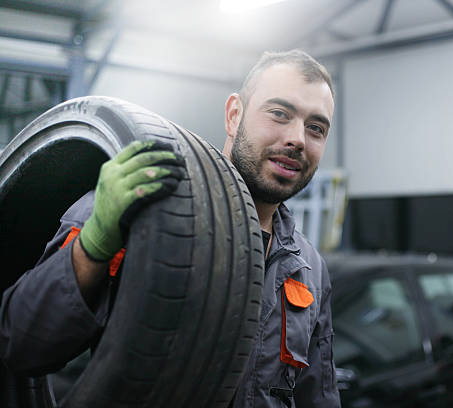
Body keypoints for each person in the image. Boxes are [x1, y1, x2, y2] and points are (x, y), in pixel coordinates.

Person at [0, 49, 340, 407]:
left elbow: (319, 397)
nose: (298, 139)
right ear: (234, 115)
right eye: (279, 114)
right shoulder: (138, 210)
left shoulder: (308, 269)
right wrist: (94, 246)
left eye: (315, 128)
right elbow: (19, 345)